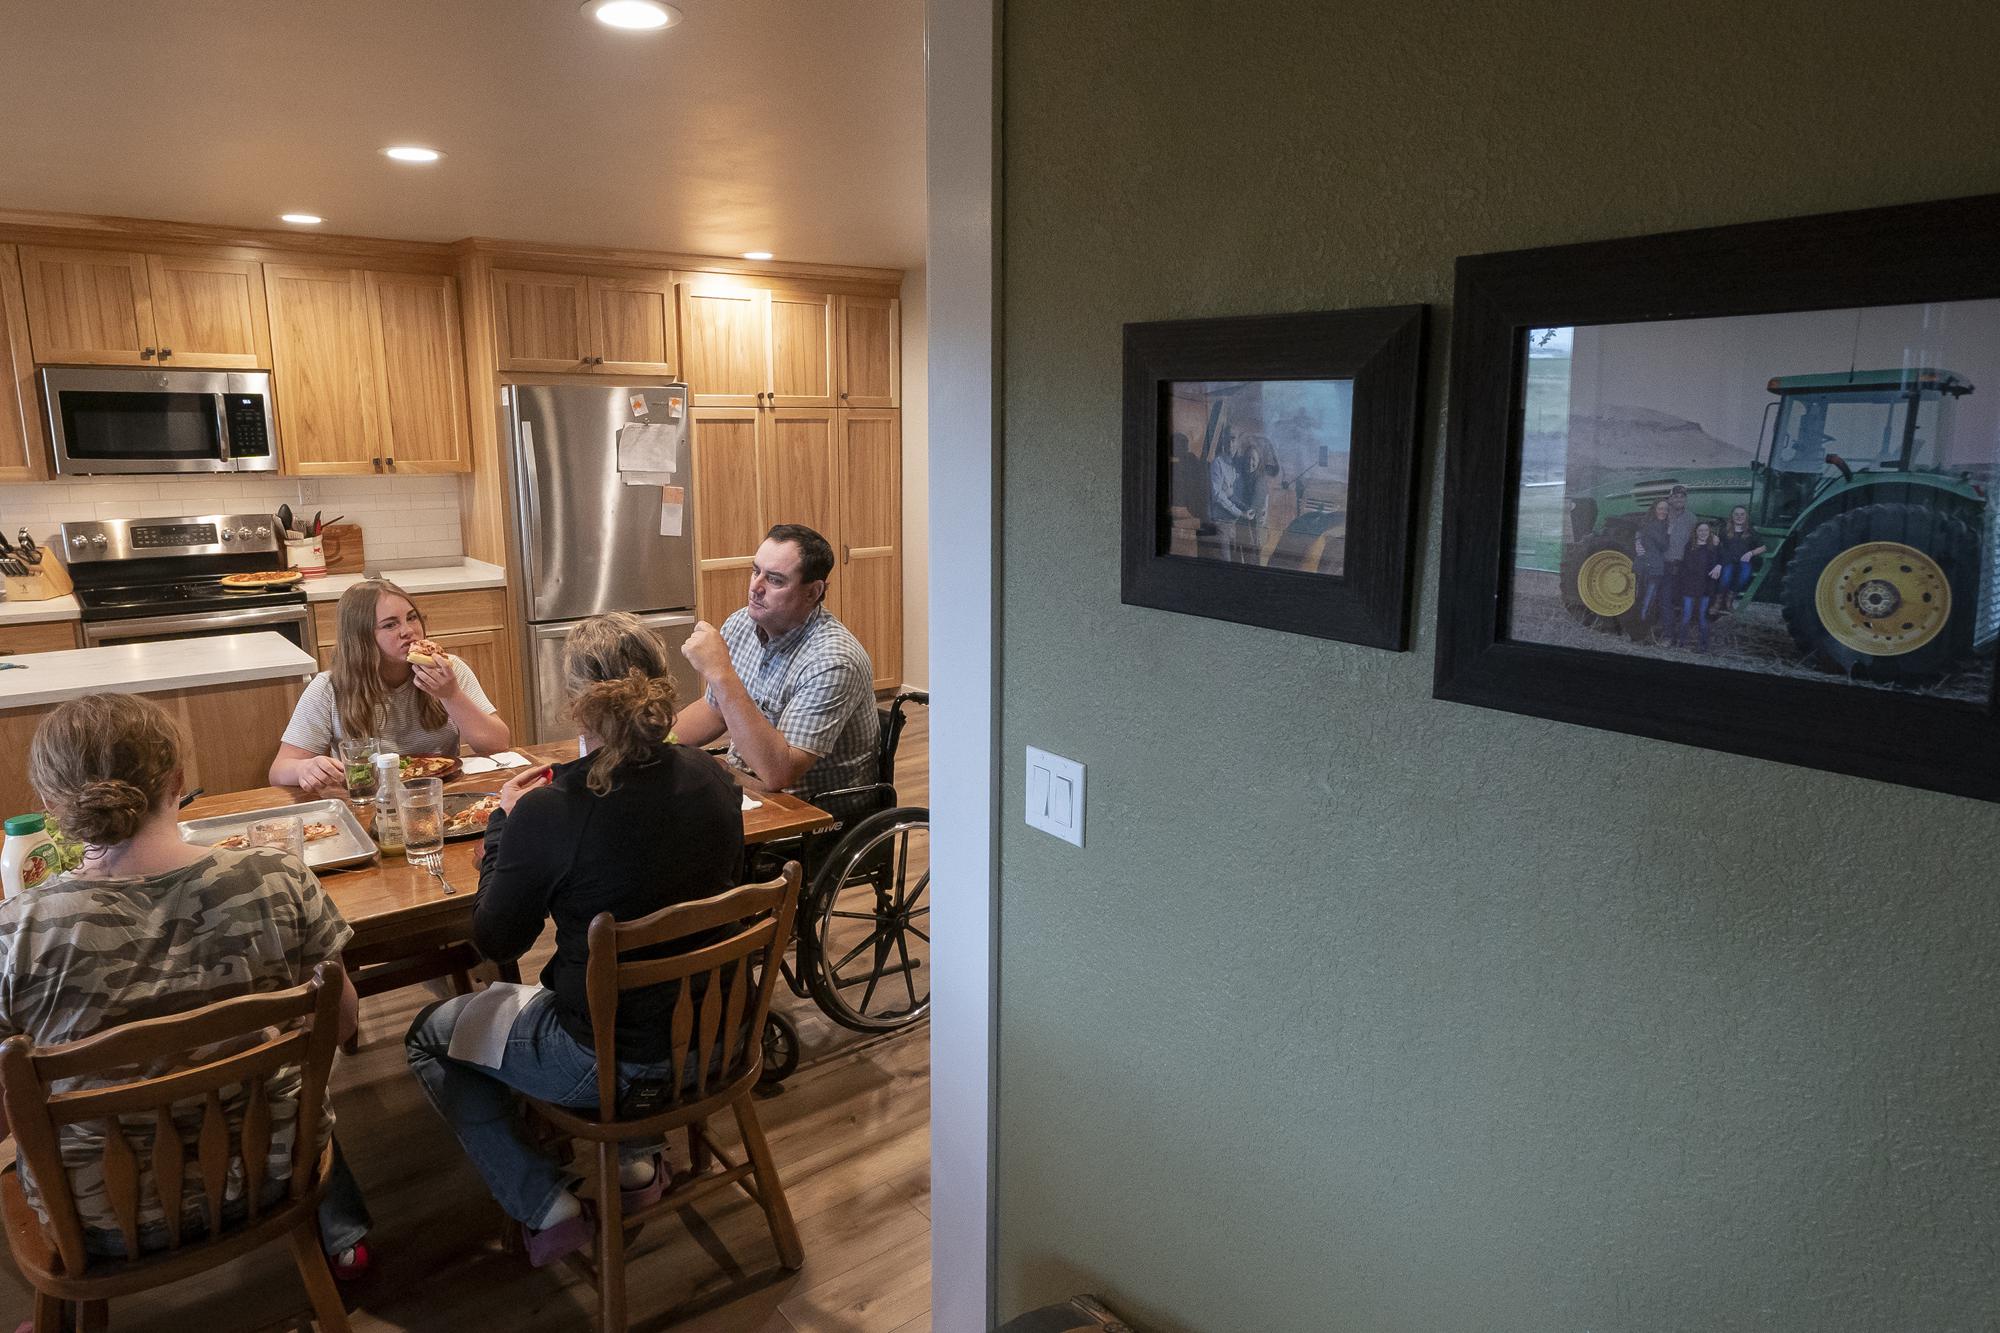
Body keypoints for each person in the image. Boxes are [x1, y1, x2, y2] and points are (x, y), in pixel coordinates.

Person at [404, 612, 744, 1266]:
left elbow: (495, 934)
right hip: (715, 1035)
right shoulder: (712, 775)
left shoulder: (551, 809)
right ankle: (638, 1167)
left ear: (576, 703)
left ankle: (547, 1206)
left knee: (430, 1033)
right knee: (635, 985)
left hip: (610, 1061)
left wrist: (503, 825)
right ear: (661, 686)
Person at [0, 693, 372, 1276]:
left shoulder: (16, 934)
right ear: (177, 780)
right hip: (272, 1173)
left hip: (101, 1219)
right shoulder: (280, 880)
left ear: (52, 807)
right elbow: (342, 1024)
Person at [674, 524, 880, 815]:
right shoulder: (742, 623)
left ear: (813, 592)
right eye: (755, 571)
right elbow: (715, 710)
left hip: (810, 813)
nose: (755, 587)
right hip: (749, 788)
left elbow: (778, 773)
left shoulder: (833, 659)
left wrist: (721, 673)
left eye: (775, 580)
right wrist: (644, 743)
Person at [271, 578, 510, 788]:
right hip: (370, 799)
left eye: (412, 617)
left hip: (440, 792)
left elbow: (498, 745)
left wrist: (451, 695)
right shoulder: (329, 688)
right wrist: (305, 769)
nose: (408, 631)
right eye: (390, 624)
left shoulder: (449, 670)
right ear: (360, 638)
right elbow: (280, 770)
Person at [1670, 521, 1724, 652]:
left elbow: (1722, 558)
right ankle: (1681, 643)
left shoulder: (1713, 548)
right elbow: (1685, 568)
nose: (1703, 533)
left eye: (1706, 530)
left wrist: (1719, 565)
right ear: (1696, 532)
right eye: (1700, 530)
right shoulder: (1689, 547)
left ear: (1709, 532)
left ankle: (1703, 645)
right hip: (1689, 587)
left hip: (1705, 588)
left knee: (1702, 617)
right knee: (1686, 615)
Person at [1715, 505, 1768, 613]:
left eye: (1742, 514)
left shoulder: (1750, 531)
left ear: (1746, 516)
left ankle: (1729, 601)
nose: (1739, 517)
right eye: (1736, 514)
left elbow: (1763, 547)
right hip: (1728, 560)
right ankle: (1718, 602)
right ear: (1732, 516)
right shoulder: (1725, 530)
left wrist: (1751, 553)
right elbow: (1717, 543)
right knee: (1725, 577)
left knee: (1744, 575)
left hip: (1743, 561)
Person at [1206, 436, 1251, 561]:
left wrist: (1245, 508)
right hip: (1221, 523)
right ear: (1223, 442)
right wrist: (1240, 512)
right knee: (1225, 564)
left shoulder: (1237, 466)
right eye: (1228, 440)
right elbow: (1217, 495)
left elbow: (1231, 494)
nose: (1230, 444)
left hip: (1235, 525)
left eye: (1234, 440)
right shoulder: (1218, 463)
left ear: (1238, 443)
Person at [1632, 498, 1671, 624]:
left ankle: (1639, 626)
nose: (1663, 512)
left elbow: (1639, 532)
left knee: (1644, 598)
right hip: (1648, 566)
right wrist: (1637, 541)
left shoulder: (1654, 524)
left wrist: (1637, 540)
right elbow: (1663, 545)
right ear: (1654, 510)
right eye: (1660, 508)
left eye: (1666, 509)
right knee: (1644, 598)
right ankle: (1638, 627)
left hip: (1649, 566)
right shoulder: (1653, 525)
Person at [1662, 485, 1698, 592]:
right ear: (1670, 499)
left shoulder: (1691, 518)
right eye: (1676, 496)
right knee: (1663, 593)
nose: (1679, 499)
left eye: (1682, 497)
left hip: (1681, 563)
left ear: (1685, 499)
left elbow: (1697, 537)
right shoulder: (1663, 514)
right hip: (1664, 562)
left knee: (1678, 592)